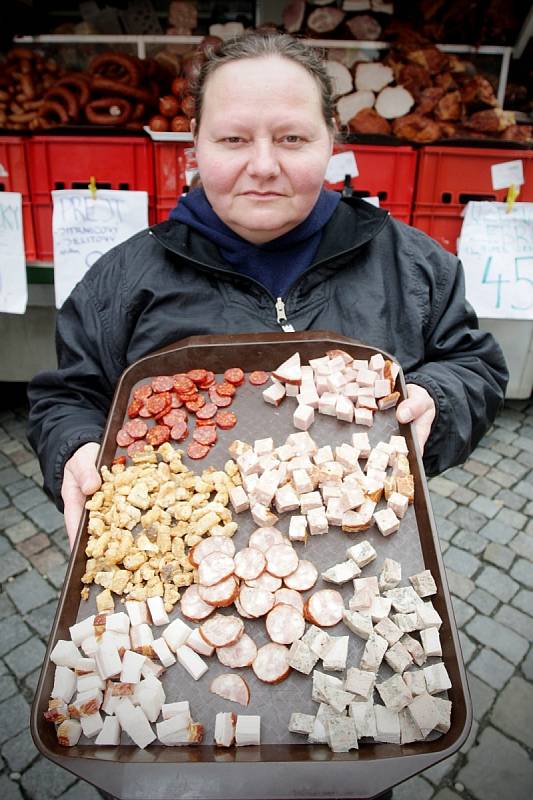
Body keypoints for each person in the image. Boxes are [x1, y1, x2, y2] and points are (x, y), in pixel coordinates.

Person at [27, 32, 508, 549]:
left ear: (331, 136)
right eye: (232, 139)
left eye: (291, 139)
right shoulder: (121, 281)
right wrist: (75, 448)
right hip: (182, 564)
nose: (262, 166)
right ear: (194, 141)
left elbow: (472, 364)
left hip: (364, 553)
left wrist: (438, 399)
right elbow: (68, 396)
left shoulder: (414, 265)